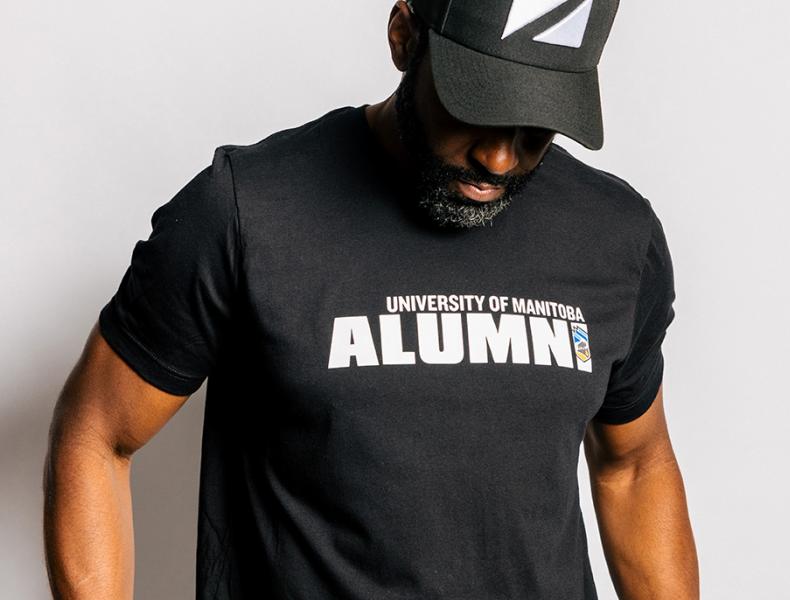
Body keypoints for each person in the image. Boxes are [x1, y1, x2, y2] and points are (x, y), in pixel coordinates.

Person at [43, 0, 699, 598]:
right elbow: (97, 432)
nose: (500, 158)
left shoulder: (613, 237)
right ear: (403, 36)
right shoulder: (247, 211)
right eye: (476, 106)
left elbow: (635, 464)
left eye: (536, 129)